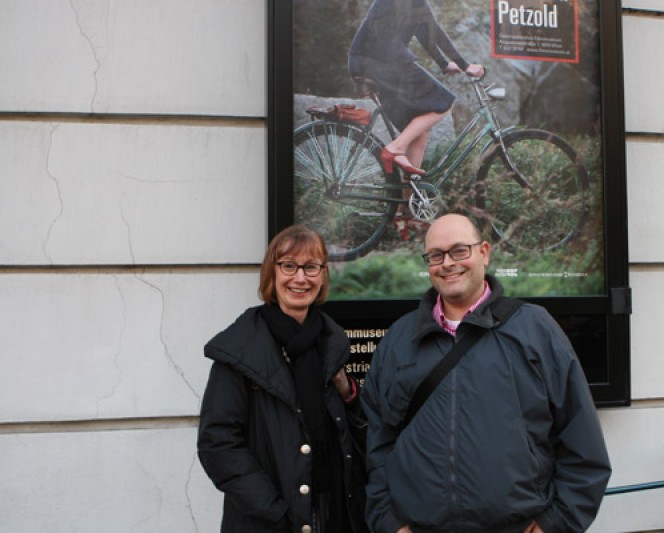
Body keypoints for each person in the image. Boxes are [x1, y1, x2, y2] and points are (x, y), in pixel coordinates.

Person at [362, 213, 611, 533]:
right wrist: (389, 522)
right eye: (436, 255)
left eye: (459, 250)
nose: (448, 263)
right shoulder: (399, 339)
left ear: (484, 252)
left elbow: (583, 442)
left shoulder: (535, 329)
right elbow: (377, 443)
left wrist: (556, 523)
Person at [197, 224, 368, 533]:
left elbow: (351, 436)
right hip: (270, 521)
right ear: (271, 273)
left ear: (323, 274)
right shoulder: (240, 349)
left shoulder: (332, 342)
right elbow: (218, 444)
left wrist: (348, 395)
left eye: (311, 267)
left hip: (334, 515)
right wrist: (274, 510)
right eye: (289, 266)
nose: (300, 278)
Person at [348, 0, 485, 176]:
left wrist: (444, 64)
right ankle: (395, 148)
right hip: (384, 63)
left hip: (367, 63)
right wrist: (465, 66)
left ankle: (406, 203)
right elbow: (434, 34)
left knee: (418, 135)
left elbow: (427, 33)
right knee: (444, 102)